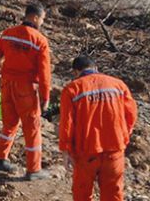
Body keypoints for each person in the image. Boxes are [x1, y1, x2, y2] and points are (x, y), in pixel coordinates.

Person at [59, 56, 138, 201]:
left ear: (76, 72)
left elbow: (67, 123)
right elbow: (131, 114)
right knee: (113, 192)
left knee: (82, 192)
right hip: (114, 149)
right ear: (96, 68)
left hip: (86, 151)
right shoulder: (118, 85)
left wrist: (65, 150)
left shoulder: (72, 89)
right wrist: (123, 136)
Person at [0, 2, 51, 180]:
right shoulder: (39, 41)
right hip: (26, 89)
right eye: (43, 20)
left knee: (9, 124)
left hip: (7, 85)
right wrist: (45, 97)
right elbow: (45, 73)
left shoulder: (8, 34)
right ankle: (33, 169)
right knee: (32, 129)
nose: (43, 23)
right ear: (35, 17)